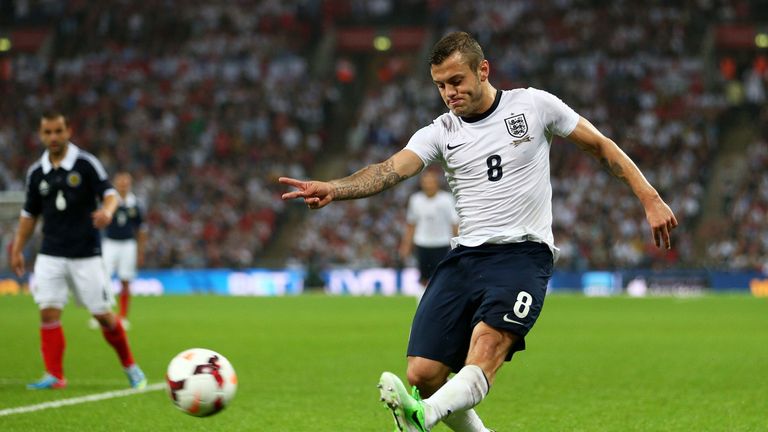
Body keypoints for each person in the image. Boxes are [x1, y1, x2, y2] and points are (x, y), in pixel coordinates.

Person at [280, 31, 677, 432]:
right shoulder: (441, 132)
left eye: (456, 81)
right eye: (440, 85)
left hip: (523, 256)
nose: (449, 93)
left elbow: (602, 146)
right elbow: (388, 171)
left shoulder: (534, 105)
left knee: (485, 349)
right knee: (422, 374)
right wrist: (334, 188)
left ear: (483, 70)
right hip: (465, 258)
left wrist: (650, 198)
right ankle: (442, 416)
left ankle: (423, 417)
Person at [9, 112, 147, 390]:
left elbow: (109, 194)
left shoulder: (85, 164)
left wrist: (107, 212)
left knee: (103, 315)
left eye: (58, 131)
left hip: (86, 254)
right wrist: (17, 249)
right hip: (50, 253)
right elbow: (29, 214)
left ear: (68, 130)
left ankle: (131, 367)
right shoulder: (37, 173)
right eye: (47, 132)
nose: (53, 137)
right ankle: (55, 375)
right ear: (41, 135)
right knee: (48, 312)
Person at [399, 169, 458, 294]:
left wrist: (458, 245)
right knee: (423, 278)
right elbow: (411, 224)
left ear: (436, 183)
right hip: (422, 244)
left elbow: (454, 224)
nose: (428, 184)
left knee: (442, 277)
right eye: (425, 182)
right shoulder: (415, 200)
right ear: (422, 183)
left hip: (442, 244)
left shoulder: (446, 200)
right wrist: (406, 246)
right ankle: (421, 306)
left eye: (431, 182)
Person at [101, 172, 147, 327]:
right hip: (110, 243)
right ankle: (103, 315)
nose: (123, 186)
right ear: (115, 184)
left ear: (130, 185)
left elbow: (141, 229)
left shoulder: (135, 204)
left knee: (125, 280)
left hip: (128, 244)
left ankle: (123, 317)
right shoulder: (108, 202)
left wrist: (140, 251)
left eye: (126, 183)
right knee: (103, 279)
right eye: (120, 183)